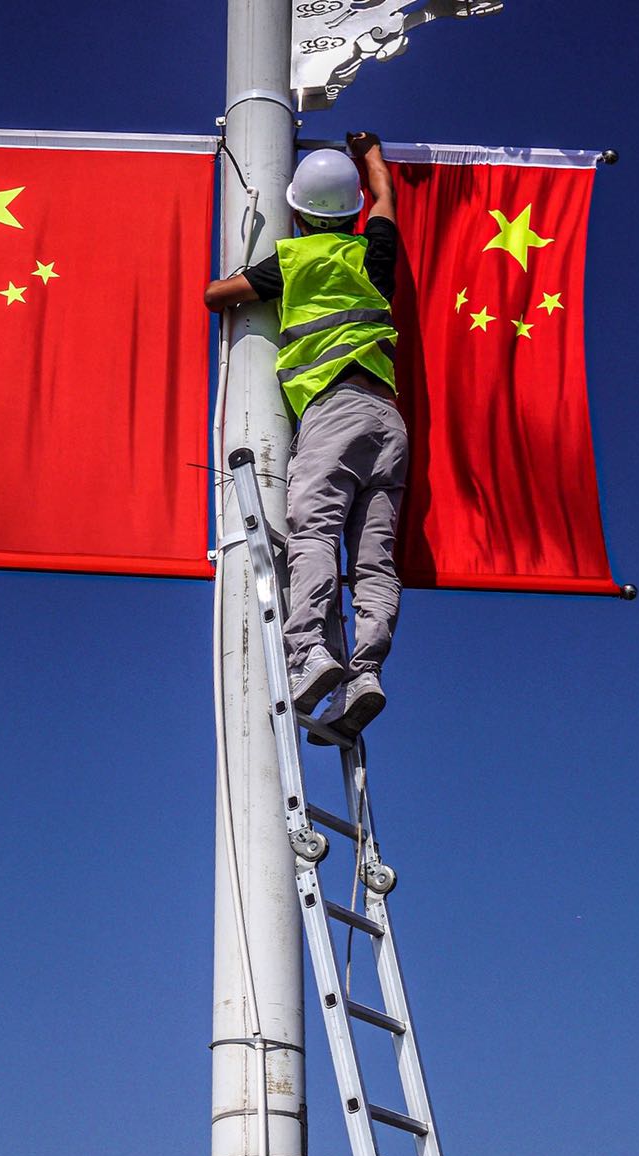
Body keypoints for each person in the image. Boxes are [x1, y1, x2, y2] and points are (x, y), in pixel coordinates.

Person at [204, 133, 408, 742]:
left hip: (331, 409)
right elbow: (385, 200)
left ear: (296, 212)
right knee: (374, 558)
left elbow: (216, 296)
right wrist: (371, 157)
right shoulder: (373, 252)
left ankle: (310, 653)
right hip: (387, 421)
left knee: (313, 530)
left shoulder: (294, 259)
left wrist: (240, 271)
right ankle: (365, 673)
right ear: (352, 214)